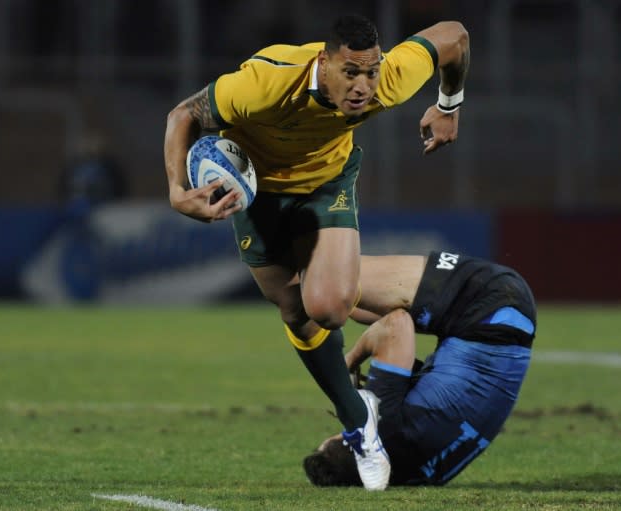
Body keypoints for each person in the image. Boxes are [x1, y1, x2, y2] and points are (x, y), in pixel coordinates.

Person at [163, 14, 469, 490]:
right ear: (323, 64)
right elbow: (183, 114)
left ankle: (387, 317)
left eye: (370, 72)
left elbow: (454, 36)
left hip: (327, 183)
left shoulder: (387, 78)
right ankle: (358, 419)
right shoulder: (266, 84)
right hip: (257, 190)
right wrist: (177, 190)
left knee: (327, 307)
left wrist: (449, 104)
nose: (364, 86)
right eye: (351, 72)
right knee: (292, 308)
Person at [303, 250, 537, 486]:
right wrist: (350, 362)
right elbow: (397, 323)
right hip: (487, 301)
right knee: (329, 281)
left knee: (348, 306)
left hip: (514, 325)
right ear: (352, 442)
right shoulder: (377, 426)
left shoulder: (419, 476)